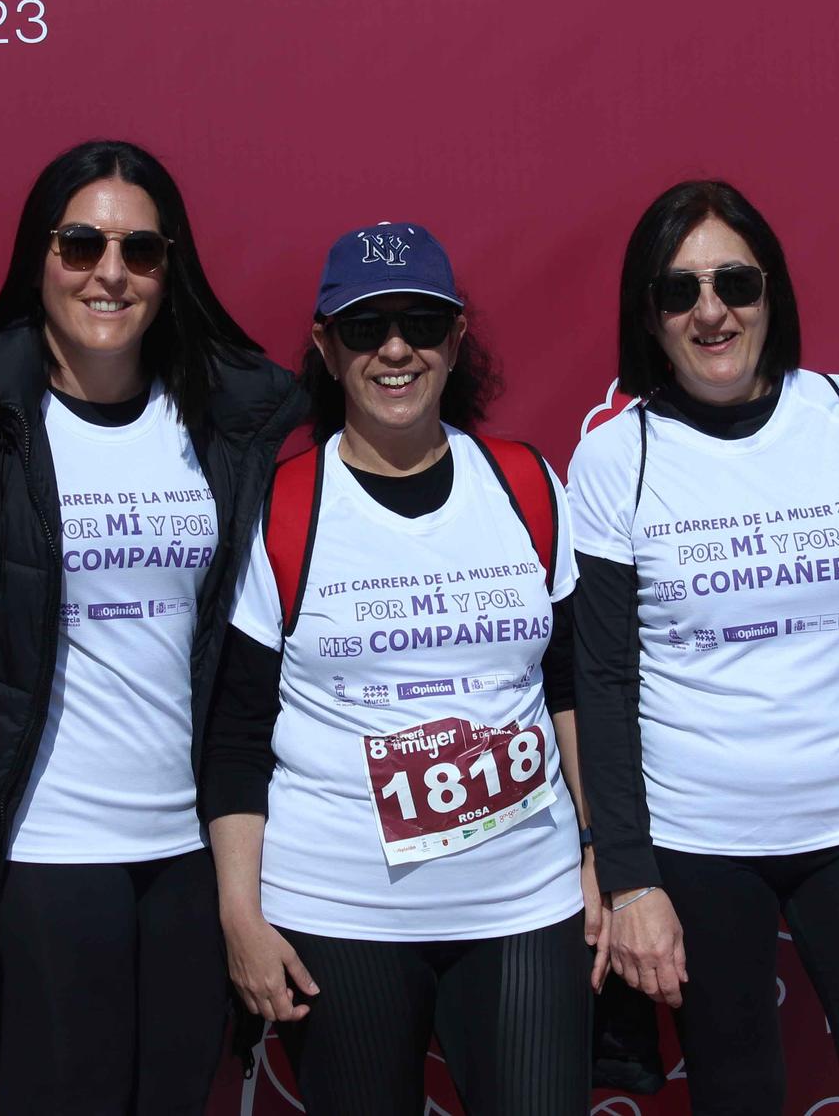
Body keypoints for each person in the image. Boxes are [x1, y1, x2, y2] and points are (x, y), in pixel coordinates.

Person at [567, 180, 839, 1115]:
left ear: (771, 292)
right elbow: (605, 680)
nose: (711, 311)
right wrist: (628, 878)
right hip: (698, 845)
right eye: (679, 290)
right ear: (648, 315)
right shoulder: (618, 459)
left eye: (735, 281)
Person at [201, 223, 604, 1116]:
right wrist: (239, 914)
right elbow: (236, 736)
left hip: (521, 902)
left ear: (456, 341)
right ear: (324, 344)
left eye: (421, 323)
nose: (394, 348)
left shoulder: (528, 484)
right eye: (364, 325)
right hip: (338, 912)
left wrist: (598, 850)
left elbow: (572, 688)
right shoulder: (284, 507)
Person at [0, 139, 306, 1113]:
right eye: (80, 243)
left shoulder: (232, 417)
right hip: (46, 854)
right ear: (38, 255)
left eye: (139, 251)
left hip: (189, 858)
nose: (110, 272)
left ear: (168, 266)